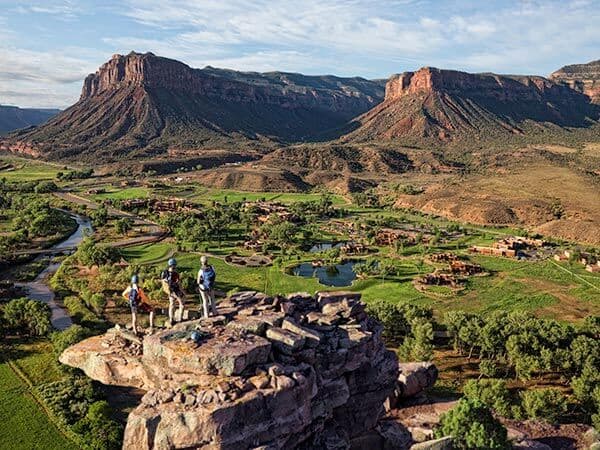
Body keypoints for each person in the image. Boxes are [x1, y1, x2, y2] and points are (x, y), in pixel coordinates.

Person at [161, 258, 184, 327]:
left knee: (171, 305)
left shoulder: (164, 273)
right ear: (174, 265)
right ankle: (180, 319)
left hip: (169, 292)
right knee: (182, 304)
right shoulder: (175, 274)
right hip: (176, 291)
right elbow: (179, 285)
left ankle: (171, 319)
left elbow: (163, 282)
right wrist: (183, 292)